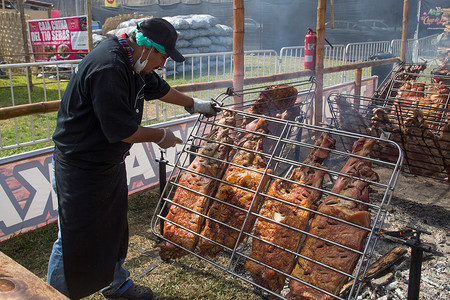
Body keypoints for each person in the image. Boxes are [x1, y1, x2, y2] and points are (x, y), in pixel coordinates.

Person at [47, 18, 219, 300]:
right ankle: (49, 295)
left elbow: (159, 88)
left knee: (113, 226)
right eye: (163, 57)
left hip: (106, 164)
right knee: (75, 237)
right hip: (80, 165)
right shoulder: (110, 67)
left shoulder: (133, 60)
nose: (162, 64)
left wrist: (193, 104)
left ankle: (114, 284)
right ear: (148, 48)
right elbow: (120, 130)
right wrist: (159, 135)